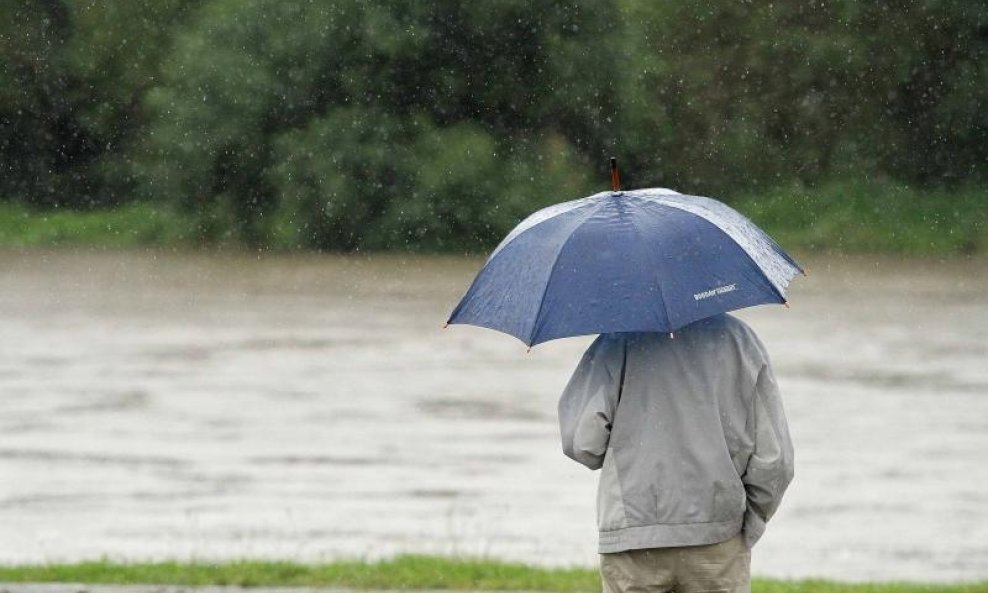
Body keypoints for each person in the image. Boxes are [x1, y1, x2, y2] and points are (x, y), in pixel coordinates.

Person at [558, 314, 794, 593]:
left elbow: (583, 442)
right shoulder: (739, 341)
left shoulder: (618, 339)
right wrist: (747, 525)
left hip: (633, 537)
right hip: (717, 539)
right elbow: (775, 462)